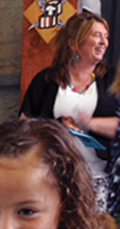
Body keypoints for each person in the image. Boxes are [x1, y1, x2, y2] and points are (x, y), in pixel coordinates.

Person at [19, 12, 115, 202]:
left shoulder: (112, 79)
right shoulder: (46, 79)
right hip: (52, 175)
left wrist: (92, 123)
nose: (104, 42)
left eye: (106, 36)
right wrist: (57, 127)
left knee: (94, 223)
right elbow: (24, 126)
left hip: (99, 178)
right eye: (97, 35)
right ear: (73, 43)